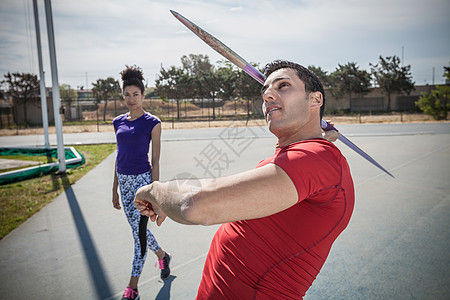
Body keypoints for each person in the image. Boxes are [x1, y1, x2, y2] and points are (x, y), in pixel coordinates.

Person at [134, 60, 355, 299]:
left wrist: (154, 190)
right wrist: (320, 136)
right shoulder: (313, 155)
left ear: (315, 100)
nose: (268, 94)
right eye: (265, 90)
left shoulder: (316, 157)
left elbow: (194, 205)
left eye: (283, 85)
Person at [112, 65, 171, 300]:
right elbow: (118, 156)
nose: (131, 99)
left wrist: (154, 193)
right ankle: (163, 256)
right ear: (123, 95)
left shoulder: (152, 123)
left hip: (143, 184)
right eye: (127, 94)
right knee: (139, 233)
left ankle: (133, 287)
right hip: (123, 183)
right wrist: (114, 188)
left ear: (143, 95)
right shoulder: (117, 122)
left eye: (136, 94)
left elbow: (155, 160)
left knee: (139, 236)